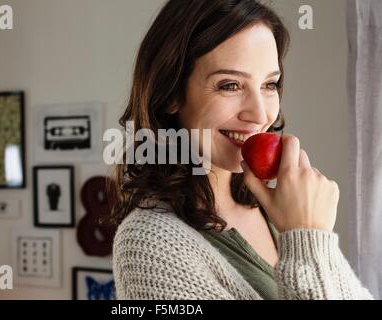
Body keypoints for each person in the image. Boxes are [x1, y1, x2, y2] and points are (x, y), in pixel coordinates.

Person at [109, 0, 373, 299]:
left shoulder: (283, 210)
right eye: (230, 85)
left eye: (270, 85)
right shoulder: (148, 243)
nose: (260, 115)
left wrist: (309, 232)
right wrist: (308, 239)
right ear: (171, 93)